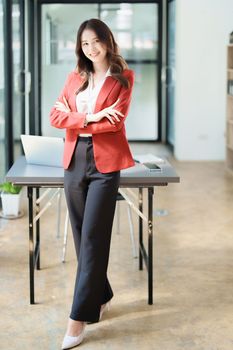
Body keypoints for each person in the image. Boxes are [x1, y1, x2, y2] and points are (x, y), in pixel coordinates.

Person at [50, 18, 135, 349]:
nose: (91, 48)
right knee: (81, 235)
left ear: (108, 41)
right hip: (75, 161)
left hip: (106, 164)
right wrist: (91, 117)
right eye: (85, 43)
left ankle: (78, 319)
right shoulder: (75, 77)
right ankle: (103, 293)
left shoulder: (122, 79)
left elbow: (117, 123)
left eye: (96, 41)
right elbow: (55, 117)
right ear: (79, 48)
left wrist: (79, 121)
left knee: (93, 240)